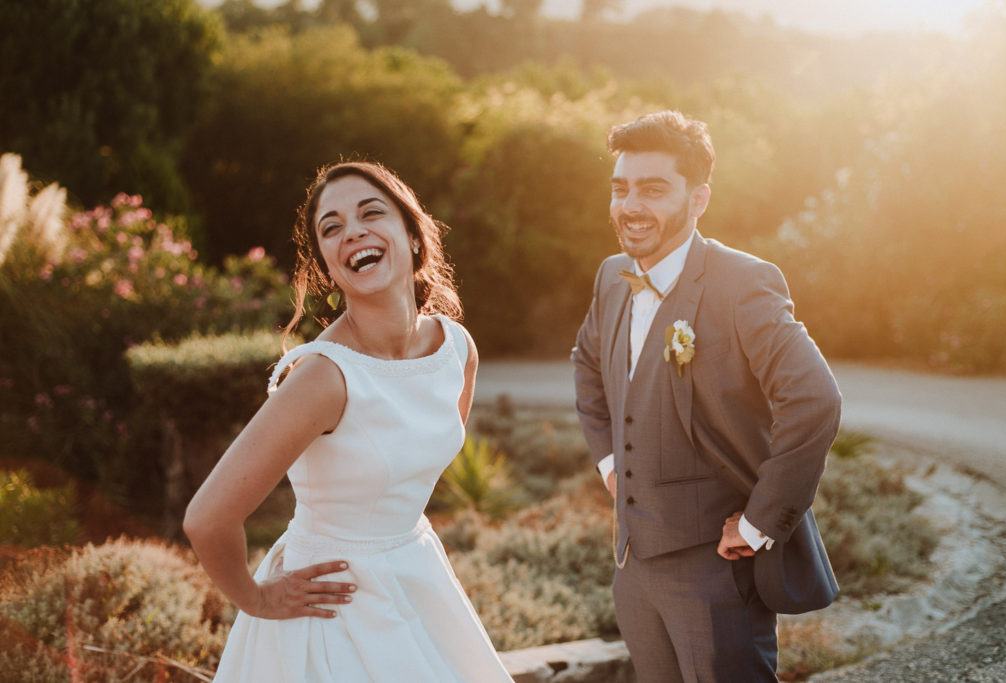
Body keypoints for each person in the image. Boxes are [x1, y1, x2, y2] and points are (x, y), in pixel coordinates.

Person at [184, 160, 512, 682]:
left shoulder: (455, 348)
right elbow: (207, 519)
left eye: (370, 213)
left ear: (413, 235)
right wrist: (257, 599)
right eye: (331, 227)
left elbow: (415, 469)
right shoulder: (323, 376)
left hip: (418, 577)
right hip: (333, 605)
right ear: (329, 269)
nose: (352, 232)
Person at [571, 111, 842, 681]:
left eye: (653, 190)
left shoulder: (743, 283)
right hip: (633, 566)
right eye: (620, 189)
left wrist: (759, 522)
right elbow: (588, 365)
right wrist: (611, 463)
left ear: (698, 199)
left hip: (717, 571)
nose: (630, 206)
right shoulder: (612, 276)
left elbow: (814, 399)